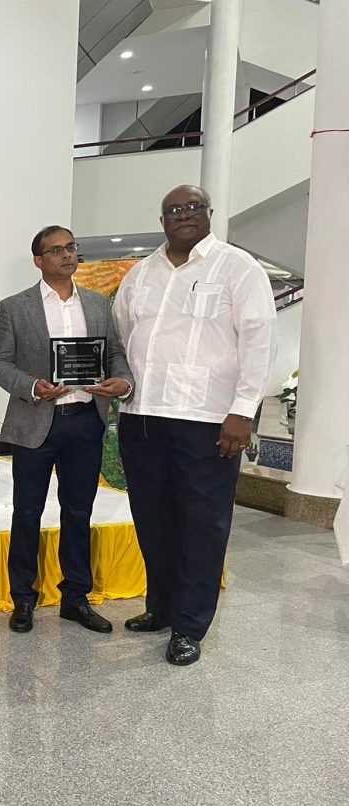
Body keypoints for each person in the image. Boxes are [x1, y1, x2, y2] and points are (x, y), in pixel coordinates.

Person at [114, 185, 276, 666]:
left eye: (192, 208)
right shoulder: (141, 274)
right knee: (154, 521)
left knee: (202, 526)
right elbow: (125, 337)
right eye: (172, 210)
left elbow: (259, 340)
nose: (183, 215)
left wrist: (243, 409)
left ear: (208, 213)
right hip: (142, 416)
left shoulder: (236, 267)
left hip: (208, 421)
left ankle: (190, 626)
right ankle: (160, 608)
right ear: (162, 219)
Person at [0, 225, 134, 635]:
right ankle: (23, 599)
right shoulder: (15, 307)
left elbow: (117, 357)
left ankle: (75, 598)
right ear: (39, 259)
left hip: (86, 421)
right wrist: (33, 386)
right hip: (37, 423)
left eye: (71, 248)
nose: (67, 255)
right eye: (56, 250)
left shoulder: (98, 305)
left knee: (78, 512)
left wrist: (121, 382)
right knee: (27, 513)